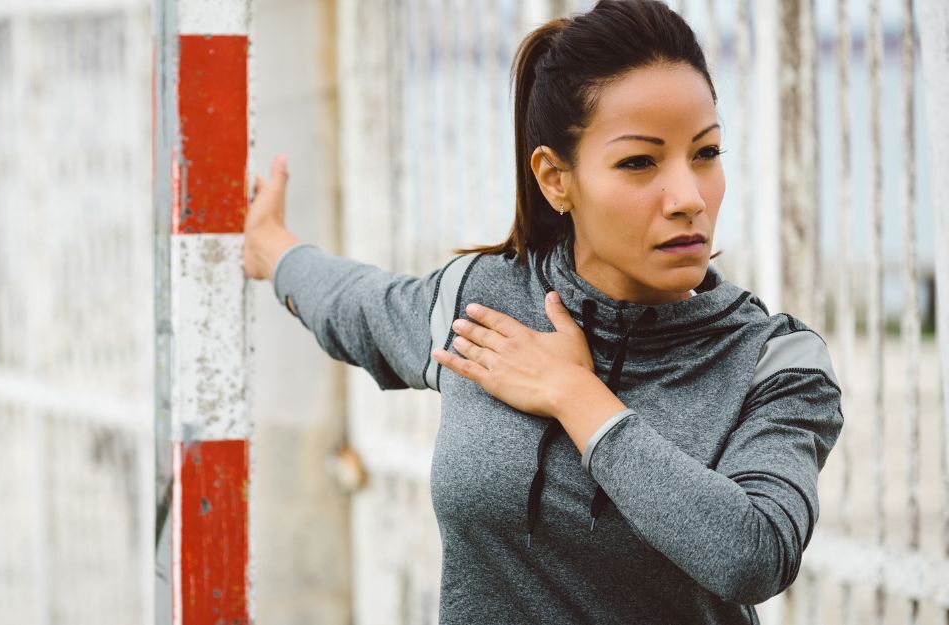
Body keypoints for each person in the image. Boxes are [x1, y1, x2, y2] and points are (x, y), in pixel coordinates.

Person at [241, 1, 844, 623]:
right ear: (556, 179)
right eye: (639, 162)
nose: (689, 198)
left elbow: (754, 555)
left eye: (706, 153)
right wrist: (273, 250)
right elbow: (359, 305)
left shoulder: (775, 363)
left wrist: (576, 396)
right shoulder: (482, 305)